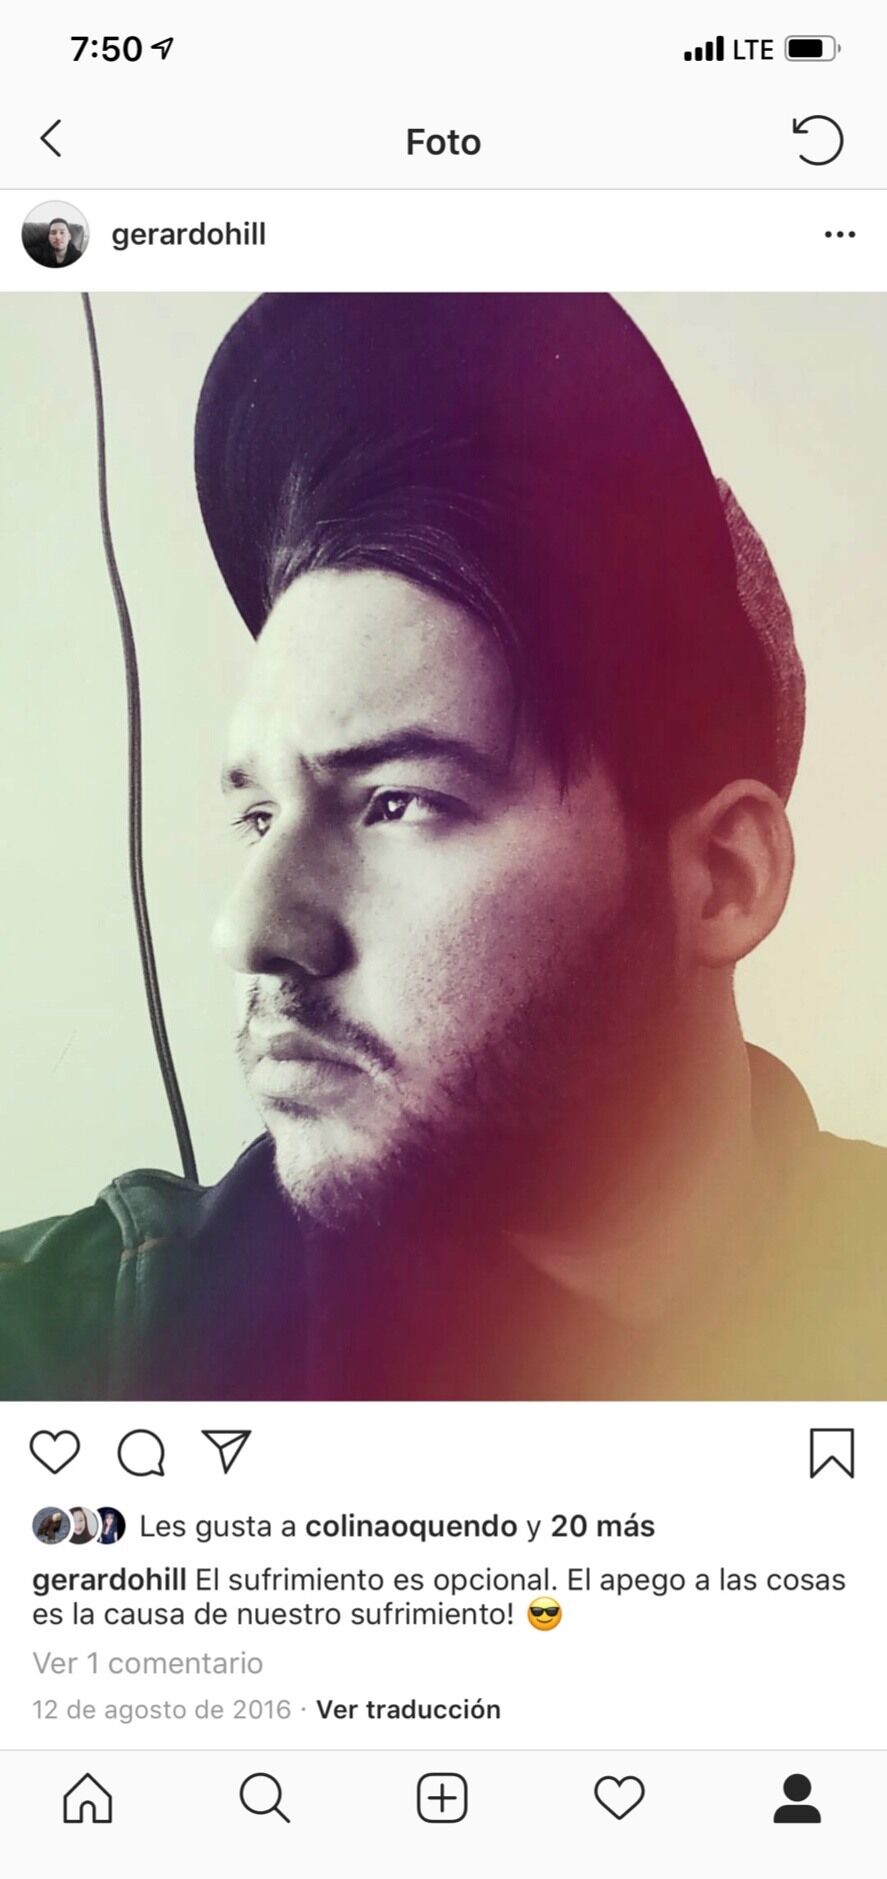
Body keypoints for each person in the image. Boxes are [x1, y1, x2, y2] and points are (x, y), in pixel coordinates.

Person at [1, 294, 885, 1401]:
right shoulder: (75, 1354)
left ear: (723, 878)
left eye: (396, 802)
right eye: (259, 815)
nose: (249, 930)